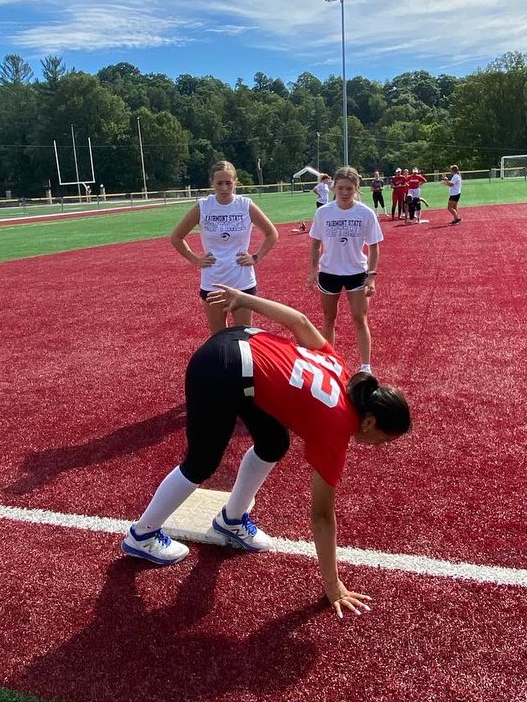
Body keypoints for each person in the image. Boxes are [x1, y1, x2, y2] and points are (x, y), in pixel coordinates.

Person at [119, 286, 411, 618]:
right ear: (369, 421)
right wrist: (333, 585)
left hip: (241, 346)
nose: (378, 447)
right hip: (221, 367)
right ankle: (142, 535)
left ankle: (231, 520)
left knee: (273, 442)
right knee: (202, 462)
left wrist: (244, 300)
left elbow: (300, 321)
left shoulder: (342, 372)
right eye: (383, 440)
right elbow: (321, 515)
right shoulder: (337, 428)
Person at [170, 160, 279, 334]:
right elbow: (176, 237)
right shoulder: (204, 206)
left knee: (243, 335)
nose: (224, 188)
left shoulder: (245, 205)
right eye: (219, 183)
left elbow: (272, 234)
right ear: (211, 183)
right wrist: (196, 260)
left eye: (228, 183)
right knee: (218, 337)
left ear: (236, 182)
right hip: (213, 281)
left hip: (242, 280)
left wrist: (256, 257)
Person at [308, 166, 383, 373]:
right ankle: (329, 361)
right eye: (340, 188)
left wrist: (372, 276)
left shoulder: (365, 213)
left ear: (357, 188)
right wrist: (313, 271)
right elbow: (315, 244)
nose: (344, 192)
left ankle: (366, 367)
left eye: (349, 188)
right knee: (328, 318)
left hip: (357, 273)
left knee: (360, 318)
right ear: (333, 188)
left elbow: (374, 246)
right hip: (329, 272)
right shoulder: (323, 212)